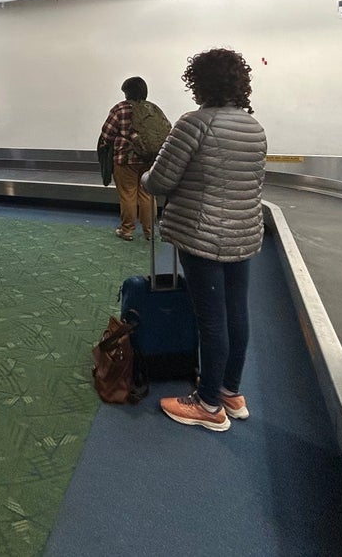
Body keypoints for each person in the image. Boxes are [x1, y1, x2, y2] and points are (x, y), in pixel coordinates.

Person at [142, 48, 267, 432]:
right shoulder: (253, 126)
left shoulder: (194, 124)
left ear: (199, 82)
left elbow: (161, 180)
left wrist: (145, 180)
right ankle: (230, 390)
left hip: (202, 234)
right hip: (243, 233)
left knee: (211, 320)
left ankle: (209, 405)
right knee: (236, 312)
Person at [98, 76, 156, 242]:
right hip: (148, 159)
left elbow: (107, 133)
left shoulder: (121, 109)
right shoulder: (152, 109)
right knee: (146, 194)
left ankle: (127, 230)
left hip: (125, 160)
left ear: (127, 92)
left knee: (128, 194)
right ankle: (149, 231)